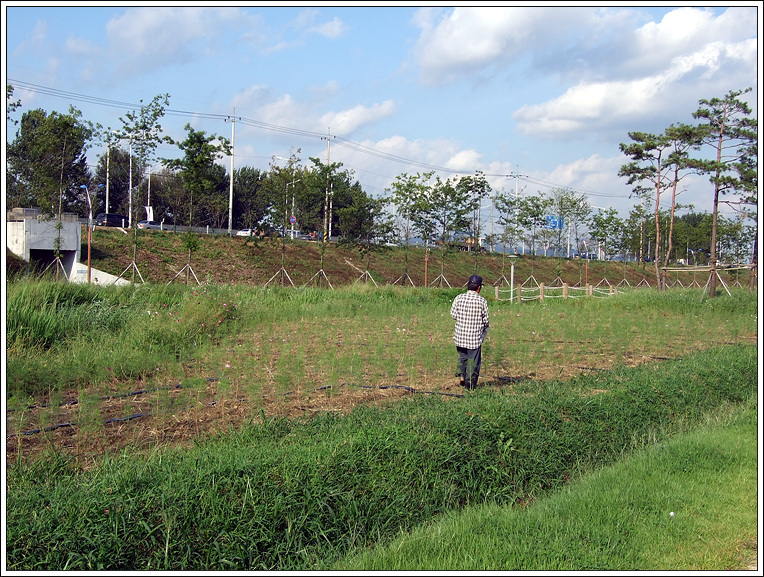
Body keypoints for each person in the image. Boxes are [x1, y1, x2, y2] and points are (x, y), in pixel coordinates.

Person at [450, 274, 490, 391]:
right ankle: (470, 386)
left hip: (460, 337)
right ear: (479, 288)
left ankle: (461, 374)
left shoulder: (458, 298)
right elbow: (486, 321)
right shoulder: (482, 301)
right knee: (474, 363)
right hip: (474, 339)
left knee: (463, 356)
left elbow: (453, 314)